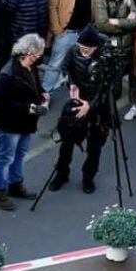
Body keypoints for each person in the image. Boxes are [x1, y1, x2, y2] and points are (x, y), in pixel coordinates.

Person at [51, 25, 115, 194]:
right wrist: (72, 84)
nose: (84, 51)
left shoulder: (105, 58)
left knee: (95, 147)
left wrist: (91, 105)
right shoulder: (73, 51)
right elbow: (66, 69)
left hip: (98, 108)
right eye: (81, 48)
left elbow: (111, 89)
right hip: (77, 101)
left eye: (87, 49)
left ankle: (88, 177)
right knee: (67, 142)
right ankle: (61, 173)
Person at [0, 34, 48, 210]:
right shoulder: (8, 74)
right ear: (28, 53)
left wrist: (42, 92)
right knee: (6, 156)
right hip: (10, 123)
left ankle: (15, 184)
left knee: (20, 154)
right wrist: (26, 108)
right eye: (37, 55)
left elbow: (34, 84)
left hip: (25, 122)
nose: (38, 58)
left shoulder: (30, 67)